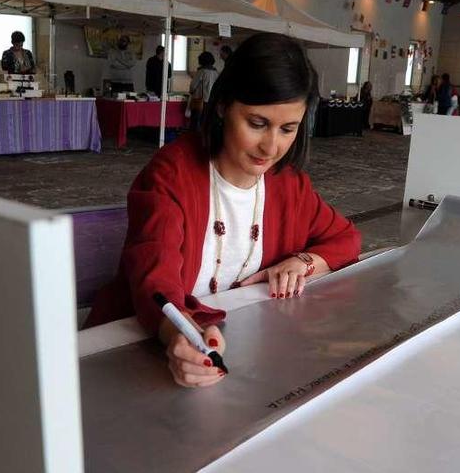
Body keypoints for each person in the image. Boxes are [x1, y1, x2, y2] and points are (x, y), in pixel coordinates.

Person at [85, 33, 361, 388]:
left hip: (247, 353)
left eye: (288, 129)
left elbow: (346, 238)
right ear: (222, 106)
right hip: (132, 349)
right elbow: (156, 283)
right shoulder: (171, 174)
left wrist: (304, 262)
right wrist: (179, 338)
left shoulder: (288, 183)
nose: (271, 146)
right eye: (257, 123)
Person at [188, 51, 220, 130]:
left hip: (200, 100)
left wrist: (191, 92)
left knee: (195, 122)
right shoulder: (216, 72)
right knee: (207, 123)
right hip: (212, 101)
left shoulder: (201, 71)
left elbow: (193, 86)